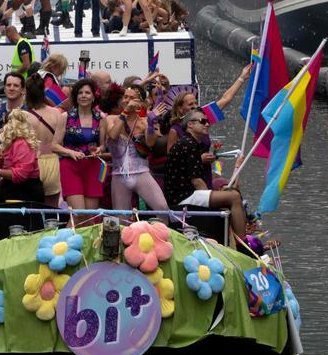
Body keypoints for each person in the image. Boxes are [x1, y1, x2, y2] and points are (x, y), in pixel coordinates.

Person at [164, 110, 248, 245]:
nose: (207, 124)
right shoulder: (188, 144)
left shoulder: (190, 142)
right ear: (190, 125)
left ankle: (237, 241)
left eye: (208, 121)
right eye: (203, 121)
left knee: (229, 192)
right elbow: (196, 181)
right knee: (234, 197)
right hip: (182, 197)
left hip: (186, 193)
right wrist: (211, 198)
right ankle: (244, 245)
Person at [104, 84, 168, 212]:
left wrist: (150, 123)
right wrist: (126, 111)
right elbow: (113, 134)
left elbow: (150, 143)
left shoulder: (144, 120)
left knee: (162, 208)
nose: (127, 100)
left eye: (131, 98)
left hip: (142, 172)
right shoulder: (111, 119)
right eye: (125, 97)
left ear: (139, 102)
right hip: (119, 175)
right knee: (122, 218)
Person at [55, 78, 106, 214]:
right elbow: (54, 145)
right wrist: (70, 152)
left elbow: (103, 145)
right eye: (80, 93)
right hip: (70, 165)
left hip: (92, 166)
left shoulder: (100, 118)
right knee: (79, 213)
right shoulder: (66, 116)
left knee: (90, 216)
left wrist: (99, 150)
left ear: (93, 96)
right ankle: (61, 236)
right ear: (75, 96)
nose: (83, 96)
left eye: (87, 93)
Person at [0, 109, 43, 205]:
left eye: (3, 123)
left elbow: (21, 174)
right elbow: (6, 168)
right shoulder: (10, 144)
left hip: (25, 191)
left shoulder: (22, 144)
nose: (1, 128)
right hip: (13, 188)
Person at [24, 73, 67, 207]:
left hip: (31, 164)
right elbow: (59, 144)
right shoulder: (56, 113)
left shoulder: (22, 115)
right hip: (52, 162)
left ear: (26, 92)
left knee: (32, 207)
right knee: (52, 208)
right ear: (44, 91)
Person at [0, 70, 27, 143]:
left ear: (23, 90)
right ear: (4, 89)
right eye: (8, 85)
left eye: (16, 85)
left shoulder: (28, 112)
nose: (11, 88)